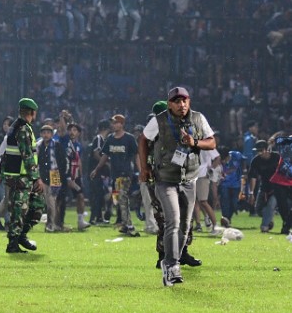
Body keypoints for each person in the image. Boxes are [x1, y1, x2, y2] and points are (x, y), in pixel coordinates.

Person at [138, 87, 216, 287]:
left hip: (189, 179)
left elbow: (212, 143)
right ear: (170, 103)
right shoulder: (159, 120)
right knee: (173, 220)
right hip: (165, 178)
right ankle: (172, 265)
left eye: (184, 101)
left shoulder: (198, 118)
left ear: (189, 101)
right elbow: (143, 140)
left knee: (185, 225)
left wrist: (195, 142)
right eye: (176, 101)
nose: (181, 105)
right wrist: (144, 167)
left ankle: (173, 259)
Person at [0, 98, 44, 253]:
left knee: (36, 206)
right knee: (19, 211)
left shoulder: (15, 128)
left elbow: (6, 154)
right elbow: (27, 155)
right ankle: (13, 243)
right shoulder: (22, 129)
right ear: (32, 112)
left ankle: (21, 236)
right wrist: (37, 178)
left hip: (20, 177)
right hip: (21, 177)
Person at [92, 114, 140, 237]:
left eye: (115, 123)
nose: (113, 125)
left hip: (125, 173)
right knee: (118, 200)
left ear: (121, 124)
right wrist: (97, 169)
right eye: (112, 123)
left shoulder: (129, 138)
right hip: (115, 174)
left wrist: (140, 171)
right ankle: (124, 224)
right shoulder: (110, 138)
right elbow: (104, 155)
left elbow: (136, 155)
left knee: (122, 197)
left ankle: (129, 225)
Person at [37, 125, 69, 232]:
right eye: (44, 132)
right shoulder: (39, 146)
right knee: (49, 202)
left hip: (55, 174)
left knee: (53, 201)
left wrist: (62, 174)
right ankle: (53, 224)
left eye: (48, 132)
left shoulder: (57, 145)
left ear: (51, 134)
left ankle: (52, 224)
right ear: (41, 134)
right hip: (44, 175)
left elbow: (63, 161)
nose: (46, 135)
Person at [247, 140, 279, 233]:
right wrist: (251, 193)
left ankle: (264, 226)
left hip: (277, 187)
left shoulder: (277, 157)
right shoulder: (256, 161)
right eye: (258, 151)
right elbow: (253, 177)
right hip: (264, 187)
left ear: (266, 149)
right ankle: (269, 220)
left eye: (261, 150)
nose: (259, 153)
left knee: (271, 205)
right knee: (259, 210)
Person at [88, 119, 111, 225]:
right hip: (95, 171)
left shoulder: (102, 139)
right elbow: (96, 153)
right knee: (97, 195)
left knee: (100, 194)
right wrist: (104, 163)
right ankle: (94, 218)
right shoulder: (98, 138)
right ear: (105, 129)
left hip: (98, 172)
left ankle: (99, 218)